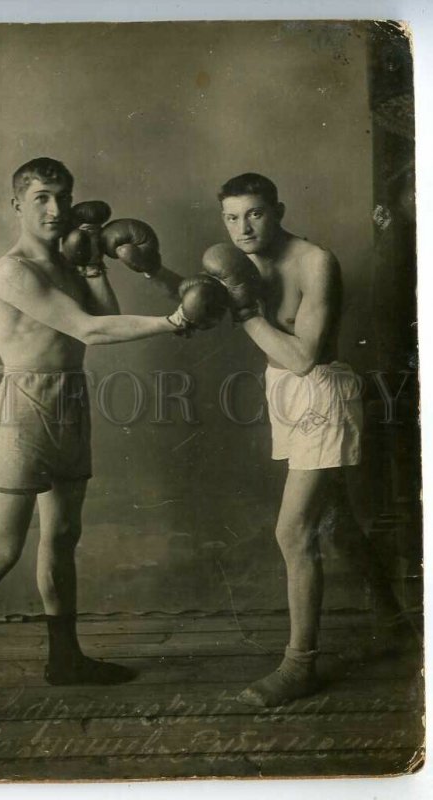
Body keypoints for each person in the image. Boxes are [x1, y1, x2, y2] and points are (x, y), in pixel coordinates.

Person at [0, 157, 218, 733]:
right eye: (43, 197)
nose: (55, 209)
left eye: (63, 197)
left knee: (64, 534)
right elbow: (88, 330)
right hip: (24, 409)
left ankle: (64, 657)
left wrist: (95, 261)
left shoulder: (67, 257)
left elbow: (106, 317)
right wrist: (176, 319)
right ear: (17, 204)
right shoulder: (12, 271)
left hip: (70, 399)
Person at [209, 172, 412, 707]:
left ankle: (300, 665)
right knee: (336, 521)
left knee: (293, 530)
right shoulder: (240, 263)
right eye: (231, 218)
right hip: (284, 396)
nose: (243, 227)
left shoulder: (315, 261)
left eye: (253, 213)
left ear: (278, 208)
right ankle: (395, 621)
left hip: (321, 393)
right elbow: (199, 304)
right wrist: (149, 265)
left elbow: (302, 357)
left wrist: (245, 309)